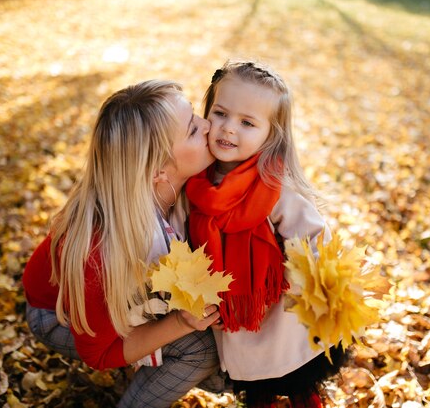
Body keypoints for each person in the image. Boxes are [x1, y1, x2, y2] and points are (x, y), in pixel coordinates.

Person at [22, 80, 224, 408]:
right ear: (158, 170)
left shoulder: (184, 184)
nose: (208, 125)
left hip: (123, 298)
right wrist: (181, 322)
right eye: (191, 129)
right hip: (56, 313)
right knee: (199, 349)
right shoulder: (101, 251)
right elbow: (100, 352)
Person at [185, 61, 346, 407]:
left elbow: (315, 239)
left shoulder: (274, 188)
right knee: (257, 386)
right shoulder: (196, 181)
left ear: (270, 135)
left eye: (247, 123)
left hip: (280, 310)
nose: (228, 129)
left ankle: (306, 399)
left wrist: (305, 281)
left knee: (297, 378)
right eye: (221, 113)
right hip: (235, 314)